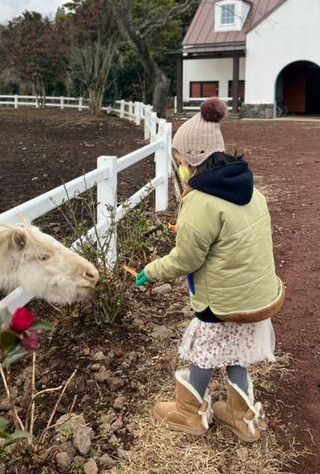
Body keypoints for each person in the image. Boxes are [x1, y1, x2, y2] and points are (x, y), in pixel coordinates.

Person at [135, 97, 284, 442]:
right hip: (258, 297)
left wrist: (151, 271)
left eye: (180, 160)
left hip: (224, 303)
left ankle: (188, 413)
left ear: (195, 159)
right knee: (234, 352)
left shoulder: (199, 202)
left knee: (205, 349)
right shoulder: (250, 190)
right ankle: (241, 415)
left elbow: (185, 260)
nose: (179, 166)